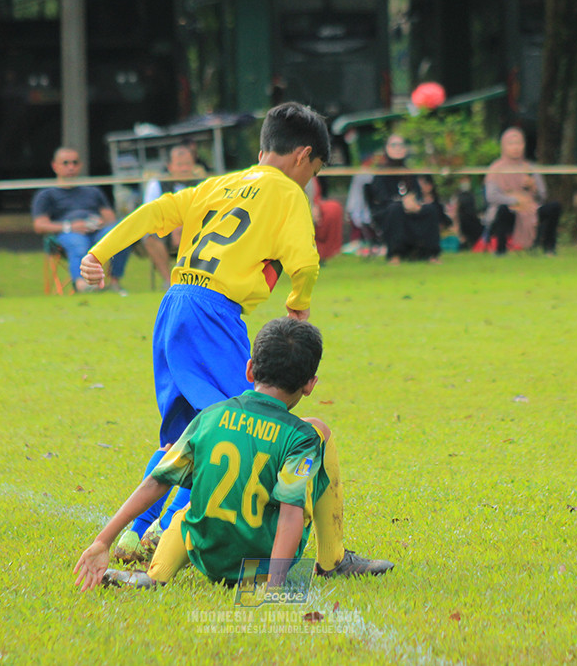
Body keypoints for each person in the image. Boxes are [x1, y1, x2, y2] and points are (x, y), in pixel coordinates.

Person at [79, 102, 328, 563]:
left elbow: (151, 214)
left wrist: (101, 251)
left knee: (181, 436)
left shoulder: (217, 184)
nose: (308, 181)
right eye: (313, 172)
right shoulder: (289, 194)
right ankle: (167, 529)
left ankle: (135, 534)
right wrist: (298, 306)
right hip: (214, 313)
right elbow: (305, 261)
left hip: (174, 306)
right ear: (303, 156)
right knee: (239, 428)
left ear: (261, 148)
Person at [72, 317, 394, 590]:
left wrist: (103, 542)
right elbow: (291, 513)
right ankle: (332, 559)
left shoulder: (209, 417)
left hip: (208, 559)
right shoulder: (300, 437)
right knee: (320, 431)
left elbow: (156, 482)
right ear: (310, 385)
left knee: (186, 514)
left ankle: (154, 577)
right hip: (260, 569)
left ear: (250, 369)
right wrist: (276, 586)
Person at [31, 147, 129, 294]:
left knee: (122, 233)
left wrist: (98, 222)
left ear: (80, 166)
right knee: (78, 243)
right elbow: (39, 225)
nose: (71, 167)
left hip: (97, 232)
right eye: (65, 163)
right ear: (55, 166)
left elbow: (110, 218)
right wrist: (71, 226)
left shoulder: (93, 191)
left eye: (74, 163)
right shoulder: (46, 195)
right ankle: (82, 285)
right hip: (67, 234)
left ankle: (114, 282)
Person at [482, 127, 561, 255]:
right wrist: (515, 200)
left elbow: (542, 196)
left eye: (519, 143)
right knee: (502, 210)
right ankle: (501, 251)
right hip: (509, 211)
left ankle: (549, 248)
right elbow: (491, 196)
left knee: (554, 207)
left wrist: (533, 187)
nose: (516, 148)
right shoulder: (495, 169)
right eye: (511, 144)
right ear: (504, 146)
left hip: (530, 210)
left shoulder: (530, 168)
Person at [141, 144, 199, 285]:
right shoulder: (156, 185)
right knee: (150, 238)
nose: (184, 169)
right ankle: (170, 282)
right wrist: (173, 226)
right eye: (180, 165)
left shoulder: (203, 184)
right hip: (165, 230)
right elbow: (150, 214)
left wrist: (186, 227)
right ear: (170, 166)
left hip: (197, 230)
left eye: (188, 164)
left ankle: (198, 281)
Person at [305, 176, 343, 262]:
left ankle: (329, 253)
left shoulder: (311, 177)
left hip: (313, 205)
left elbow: (315, 197)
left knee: (333, 208)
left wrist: (316, 206)